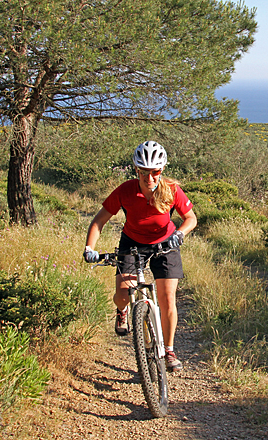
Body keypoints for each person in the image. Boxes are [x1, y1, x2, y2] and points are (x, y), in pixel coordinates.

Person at [83, 141, 197, 372]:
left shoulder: (172, 189)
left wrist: (179, 234)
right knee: (123, 295)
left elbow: (191, 219)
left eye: (155, 172)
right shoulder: (125, 191)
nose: (150, 178)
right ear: (136, 170)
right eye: (144, 172)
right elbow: (99, 220)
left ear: (161, 170)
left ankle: (169, 350)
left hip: (166, 245)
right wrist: (89, 248)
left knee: (167, 299)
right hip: (132, 244)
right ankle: (123, 310)